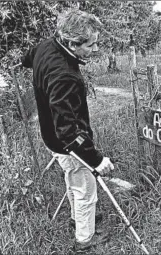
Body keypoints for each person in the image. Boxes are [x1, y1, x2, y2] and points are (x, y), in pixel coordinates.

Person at [20, 8, 114, 251]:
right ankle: (85, 237)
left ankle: (77, 218)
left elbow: (28, 58)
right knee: (85, 188)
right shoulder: (65, 76)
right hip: (67, 144)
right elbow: (69, 132)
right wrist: (96, 159)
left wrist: (23, 62)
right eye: (91, 45)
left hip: (51, 138)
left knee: (73, 179)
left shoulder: (47, 45)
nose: (95, 49)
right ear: (72, 43)